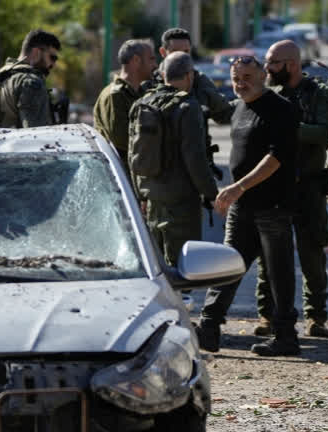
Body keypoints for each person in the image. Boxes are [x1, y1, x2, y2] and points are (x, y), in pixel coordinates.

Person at [195, 56, 300, 357]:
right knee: (228, 265)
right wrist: (237, 193)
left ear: (264, 75)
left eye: (247, 77)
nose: (240, 83)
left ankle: (285, 336)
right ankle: (209, 327)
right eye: (236, 77)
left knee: (278, 272)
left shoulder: (281, 109)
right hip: (244, 206)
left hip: (273, 205)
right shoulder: (240, 107)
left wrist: (238, 186)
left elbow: (276, 158)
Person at [251, 40, 328, 339]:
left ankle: (316, 317)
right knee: (270, 255)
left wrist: (287, 129)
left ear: (292, 64)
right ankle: (268, 314)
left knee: (312, 252)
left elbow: (324, 133)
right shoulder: (268, 95)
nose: (267, 68)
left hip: (309, 186)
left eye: (273, 63)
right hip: (275, 188)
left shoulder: (319, 95)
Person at [128, 52, 218, 267]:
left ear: (162, 74)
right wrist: (213, 194)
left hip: (152, 202)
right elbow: (195, 160)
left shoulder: (141, 103)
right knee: (184, 271)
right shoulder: (188, 106)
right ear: (189, 75)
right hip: (181, 204)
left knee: (157, 269)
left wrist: (139, 195)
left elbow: (133, 155)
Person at [0, 29, 61, 128]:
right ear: (36, 52)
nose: (53, 64)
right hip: (12, 143)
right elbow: (35, 134)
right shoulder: (31, 82)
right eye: (52, 58)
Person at [93, 39, 157, 174]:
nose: (155, 65)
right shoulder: (115, 95)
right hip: (121, 177)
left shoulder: (140, 93)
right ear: (136, 60)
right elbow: (121, 141)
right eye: (151, 59)